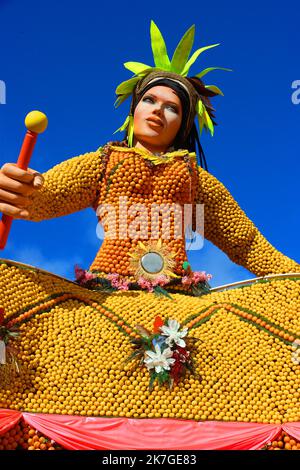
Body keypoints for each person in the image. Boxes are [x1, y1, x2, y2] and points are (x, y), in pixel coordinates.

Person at [0, 22, 299, 446]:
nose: (158, 111)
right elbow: (50, 194)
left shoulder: (196, 179)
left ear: (185, 122)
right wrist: (25, 192)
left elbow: (245, 242)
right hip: (103, 293)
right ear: (133, 109)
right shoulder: (103, 163)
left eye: (172, 107)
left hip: (179, 298)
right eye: (150, 100)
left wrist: (292, 275)